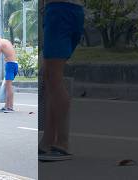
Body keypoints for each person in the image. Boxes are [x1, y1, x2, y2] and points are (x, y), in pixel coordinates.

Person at [38, 0, 84, 161]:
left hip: (60, 11)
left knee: (53, 78)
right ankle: (48, 140)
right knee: (50, 76)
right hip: (64, 11)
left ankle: (62, 143)